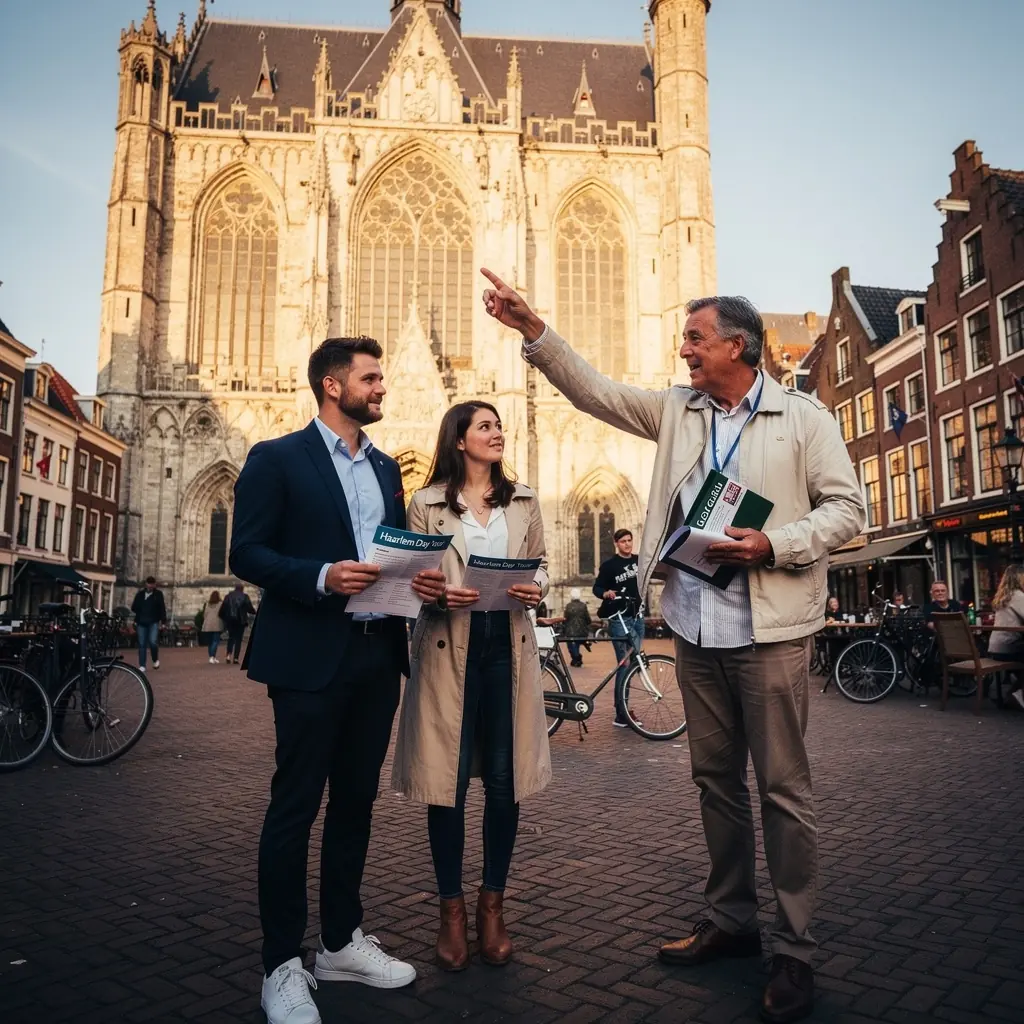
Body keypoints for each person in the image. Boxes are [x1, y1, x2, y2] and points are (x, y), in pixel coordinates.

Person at [482, 269, 865, 1024]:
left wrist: (774, 543)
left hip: (770, 632)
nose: (682, 349)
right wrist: (535, 331)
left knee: (783, 792)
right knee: (715, 785)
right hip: (694, 628)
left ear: (738, 346)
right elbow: (595, 391)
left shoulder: (804, 419)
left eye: (695, 337)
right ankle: (731, 921)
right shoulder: (678, 412)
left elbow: (847, 509)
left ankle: (794, 950)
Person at [230, 336, 446, 1024]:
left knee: (356, 804)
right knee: (294, 809)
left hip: (376, 654)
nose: (383, 388)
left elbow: (386, 555)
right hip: (308, 655)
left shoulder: (386, 468)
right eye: (371, 378)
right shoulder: (276, 458)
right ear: (332, 385)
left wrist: (419, 578)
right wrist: (320, 576)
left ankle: (340, 942)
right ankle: (281, 965)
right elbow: (248, 552)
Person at [392, 402, 550, 973]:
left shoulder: (524, 500)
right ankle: (451, 913)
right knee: (449, 784)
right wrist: (435, 593)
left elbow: (541, 564)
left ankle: (493, 907)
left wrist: (538, 588)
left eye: (499, 425)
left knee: (505, 785)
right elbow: (410, 578)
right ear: (459, 440)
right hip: (449, 650)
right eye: (485, 426)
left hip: (505, 648)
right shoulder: (425, 502)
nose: (497, 433)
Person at [594, 529, 645, 727]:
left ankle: (624, 708)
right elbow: (597, 588)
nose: (627, 544)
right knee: (624, 665)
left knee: (633, 664)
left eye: (630, 540)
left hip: (638, 618)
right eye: (623, 541)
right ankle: (621, 713)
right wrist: (605, 593)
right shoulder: (609, 566)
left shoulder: (640, 561)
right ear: (616, 543)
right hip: (619, 619)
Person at [987, 566, 1024, 711]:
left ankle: (1012, 695)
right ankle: (1018, 695)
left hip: (996, 647)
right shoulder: (1017, 596)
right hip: (1009, 647)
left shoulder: (1003, 596)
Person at [130, 576, 166, 673]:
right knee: (142, 644)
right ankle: (142, 665)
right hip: (141, 622)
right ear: (146, 584)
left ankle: (155, 659)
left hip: (153, 622)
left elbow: (162, 608)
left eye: (152, 584)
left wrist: (163, 622)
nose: (150, 586)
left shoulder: (158, 594)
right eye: (148, 584)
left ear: (154, 585)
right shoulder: (140, 594)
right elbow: (133, 608)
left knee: (153, 642)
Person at [221, 583, 257, 665]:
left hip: (230, 621)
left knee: (231, 638)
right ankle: (236, 658)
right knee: (238, 640)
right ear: (242, 589)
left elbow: (223, 608)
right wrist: (254, 612)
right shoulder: (245, 596)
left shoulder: (228, 596)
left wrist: (225, 619)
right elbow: (249, 608)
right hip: (241, 621)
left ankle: (228, 655)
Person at [563, 588, 592, 667]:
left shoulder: (568, 606)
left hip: (570, 631)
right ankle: (577, 659)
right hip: (582, 631)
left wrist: (564, 627)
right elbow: (588, 619)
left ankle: (577, 658)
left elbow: (565, 619)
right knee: (577, 644)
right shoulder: (583, 606)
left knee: (572, 646)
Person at [202, 591, 224, 664]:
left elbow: (204, 614)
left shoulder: (207, 604)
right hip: (217, 624)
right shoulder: (221, 604)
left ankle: (212, 657)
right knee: (215, 641)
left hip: (208, 625)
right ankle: (212, 657)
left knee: (210, 642)